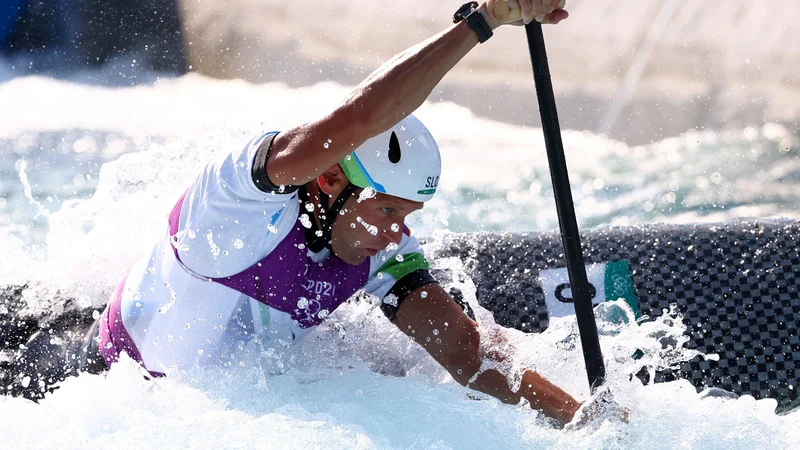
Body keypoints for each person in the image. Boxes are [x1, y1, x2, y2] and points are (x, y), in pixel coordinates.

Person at [6, 0, 581, 426]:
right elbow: (350, 123)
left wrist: (583, 421)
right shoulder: (237, 204)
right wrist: (482, 22)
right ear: (330, 179)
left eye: (407, 214)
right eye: (386, 209)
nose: (398, 231)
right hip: (76, 380)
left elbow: (465, 353)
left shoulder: (381, 246)